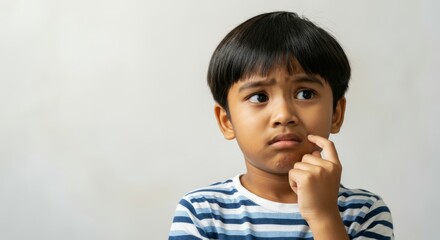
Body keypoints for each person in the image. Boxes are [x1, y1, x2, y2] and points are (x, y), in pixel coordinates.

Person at [169, 11, 393, 239]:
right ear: (226, 121)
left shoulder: (364, 212)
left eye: (305, 94)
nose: (284, 115)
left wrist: (324, 215)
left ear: (336, 113)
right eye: (259, 97)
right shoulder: (201, 212)